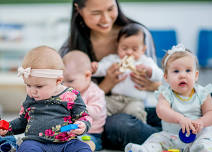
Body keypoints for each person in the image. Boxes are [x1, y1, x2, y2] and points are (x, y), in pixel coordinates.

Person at [59, 0, 162, 150]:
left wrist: (151, 85)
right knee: (118, 124)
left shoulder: (137, 33)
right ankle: (165, 137)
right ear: (79, 10)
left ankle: (172, 131)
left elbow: (160, 80)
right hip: (98, 115)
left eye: (110, 9)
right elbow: (71, 98)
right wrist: (107, 83)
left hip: (135, 105)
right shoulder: (72, 49)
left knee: (170, 111)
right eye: (96, 13)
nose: (106, 19)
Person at [0, 46, 92, 152]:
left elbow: (84, 117)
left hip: (66, 142)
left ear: (58, 81)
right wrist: (7, 128)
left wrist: (83, 125)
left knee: (83, 148)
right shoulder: (31, 99)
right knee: (26, 148)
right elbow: (23, 121)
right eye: (28, 85)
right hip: (35, 142)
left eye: (39, 86)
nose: (32, 91)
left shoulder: (72, 95)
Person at [125, 44, 212, 152]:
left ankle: (202, 149)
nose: (182, 75)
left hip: (197, 135)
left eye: (188, 70)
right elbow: (161, 111)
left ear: (196, 75)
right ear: (166, 77)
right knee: (155, 139)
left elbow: (210, 112)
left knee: (207, 137)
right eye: (176, 71)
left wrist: (202, 121)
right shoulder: (166, 94)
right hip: (171, 136)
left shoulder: (203, 93)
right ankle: (144, 150)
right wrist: (180, 118)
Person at [91, 23, 163, 123]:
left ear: (143, 49)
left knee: (136, 113)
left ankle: (138, 129)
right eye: (124, 48)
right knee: (100, 107)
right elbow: (103, 67)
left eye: (134, 49)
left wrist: (150, 71)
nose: (129, 52)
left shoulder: (146, 62)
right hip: (114, 98)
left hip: (134, 100)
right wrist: (96, 68)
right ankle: (99, 126)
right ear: (118, 46)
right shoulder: (114, 60)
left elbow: (160, 75)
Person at [63, 50, 107, 151]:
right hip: (68, 131)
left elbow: (96, 113)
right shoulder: (66, 92)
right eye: (62, 81)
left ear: (87, 76)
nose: (65, 86)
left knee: (84, 143)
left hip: (90, 133)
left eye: (70, 81)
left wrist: (77, 106)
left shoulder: (96, 92)